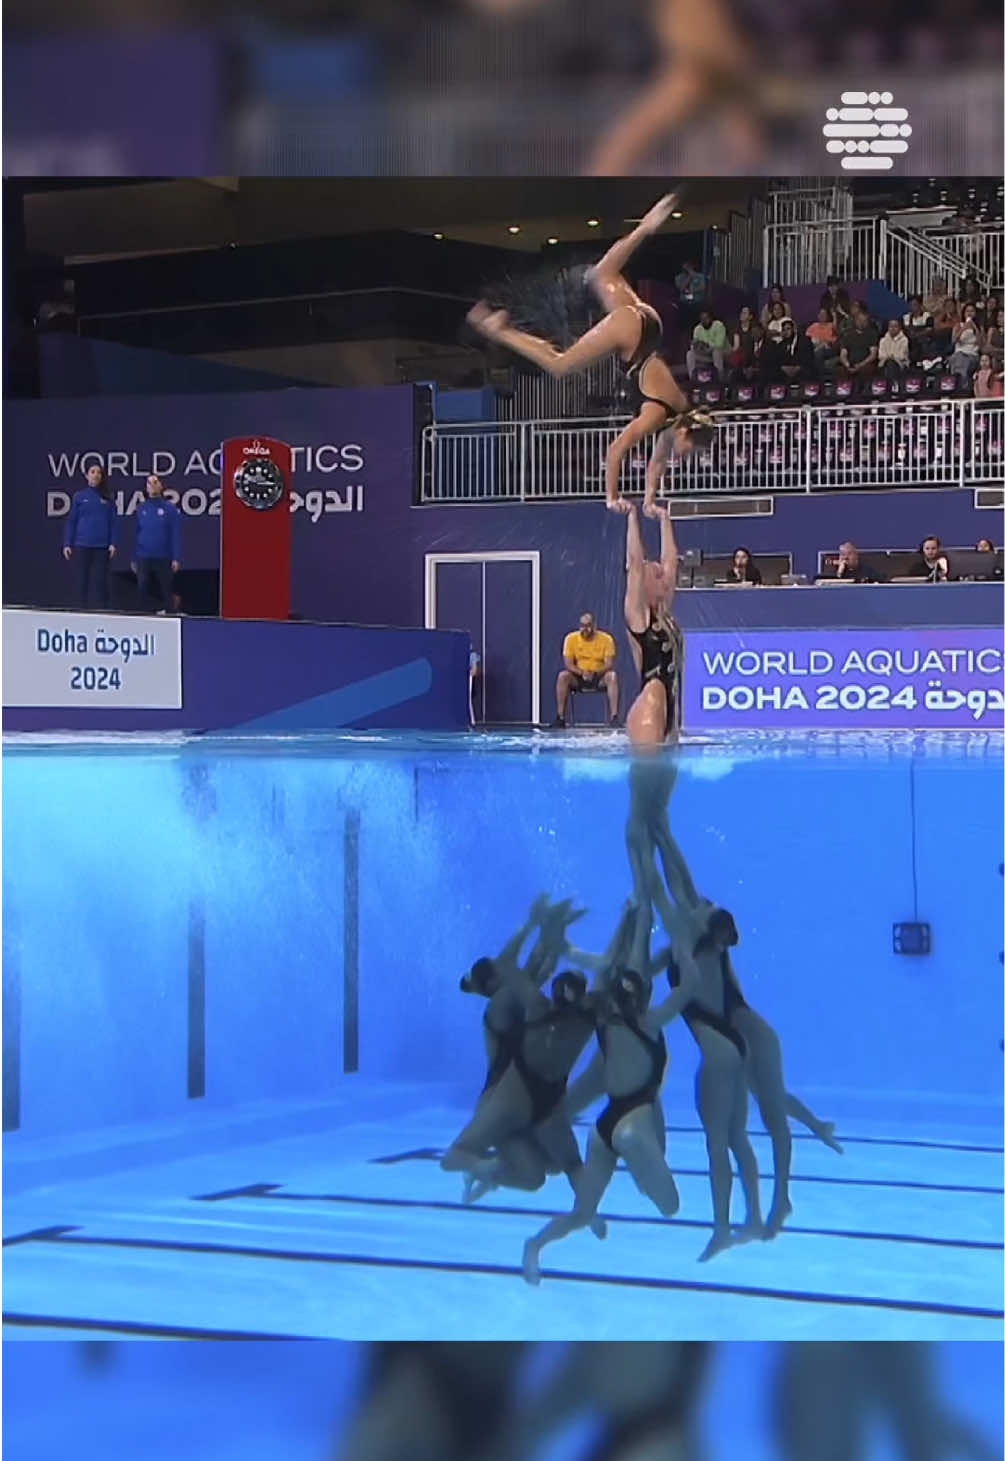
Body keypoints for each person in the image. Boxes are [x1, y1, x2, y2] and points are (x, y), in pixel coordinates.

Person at [466, 194, 715, 508]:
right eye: (690, 452)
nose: (686, 457)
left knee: (601, 275)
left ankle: (644, 228)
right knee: (559, 365)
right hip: (632, 335)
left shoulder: (680, 416)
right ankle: (500, 331)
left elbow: (658, 461)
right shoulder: (656, 416)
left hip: (649, 325)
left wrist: (650, 500)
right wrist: (612, 496)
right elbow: (615, 450)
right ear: (685, 435)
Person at [521, 907, 698, 1285]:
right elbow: (686, 987)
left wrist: (630, 920)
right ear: (645, 995)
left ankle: (535, 1246)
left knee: (582, 1213)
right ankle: (637, 1169)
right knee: (671, 1206)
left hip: (604, 1127)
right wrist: (681, 943)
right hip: (631, 1124)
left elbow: (608, 963)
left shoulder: (602, 1014)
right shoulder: (652, 1021)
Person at [612, 495, 682, 747]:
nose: (662, 572)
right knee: (648, 781)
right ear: (643, 584)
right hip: (650, 710)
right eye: (656, 571)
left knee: (665, 782)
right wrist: (632, 516)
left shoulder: (664, 613)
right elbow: (634, 564)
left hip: (668, 714)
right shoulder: (639, 616)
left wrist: (664, 518)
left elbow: (671, 562)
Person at [62, 463, 119, 610]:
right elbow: (72, 521)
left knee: (100, 582)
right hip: (82, 545)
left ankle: (102, 612)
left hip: (101, 546)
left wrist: (113, 543)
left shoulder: (108, 497)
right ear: (87, 476)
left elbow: (113, 522)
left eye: (99, 473)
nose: (96, 475)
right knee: (81, 581)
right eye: (92, 472)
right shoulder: (79, 497)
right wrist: (67, 543)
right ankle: (80, 611)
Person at [555, 612, 619, 727]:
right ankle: (560, 717)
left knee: (612, 676)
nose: (585, 629)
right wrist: (582, 673)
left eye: (588, 626)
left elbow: (609, 664)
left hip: (599, 676)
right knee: (563, 676)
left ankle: (614, 717)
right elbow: (568, 664)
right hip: (578, 677)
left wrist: (595, 673)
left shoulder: (606, 639)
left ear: (594, 626)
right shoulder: (570, 639)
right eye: (583, 626)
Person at [131, 474, 181, 615]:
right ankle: (142, 619)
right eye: (149, 483)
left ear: (160, 486)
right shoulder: (141, 509)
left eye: (155, 482)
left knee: (166, 590)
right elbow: (137, 533)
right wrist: (134, 556)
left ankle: (170, 616)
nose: (152, 485)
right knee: (142, 589)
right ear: (146, 488)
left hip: (163, 556)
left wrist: (176, 557)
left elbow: (175, 534)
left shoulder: (170, 509)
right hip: (143, 556)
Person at [838, 304, 879, 387]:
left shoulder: (872, 334)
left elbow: (873, 355)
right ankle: (843, 394)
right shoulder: (848, 335)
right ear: (856, 321)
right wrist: (847, 364)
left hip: (865, 364)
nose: (863, 323)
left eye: (864, 321)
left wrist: (860, 365)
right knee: (841, 370)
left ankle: (864, 393)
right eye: (860, 321)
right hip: (851, 363)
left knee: (866, 370)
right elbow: (843, 354)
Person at [686, 309, 728, 380]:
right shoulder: (698, 329)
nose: (704, 321)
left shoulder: (719, 326)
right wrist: (697, 346)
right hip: (706, 354)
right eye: (702, 319)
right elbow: (694, 345)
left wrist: (706, 344)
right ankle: (692, 378)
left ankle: (720, 379)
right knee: (690, 353)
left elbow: (719, 344)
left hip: (723, 353)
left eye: (706, 318)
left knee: (716, 351)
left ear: (711, 318)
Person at [771, 317, 814, 384]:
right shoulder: (781, 345)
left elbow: (809, 358)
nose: (786, 332)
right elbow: (777, 360)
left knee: (808, 371)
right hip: (786, 371)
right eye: (784, 330)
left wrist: (797, 368)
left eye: (788, 329)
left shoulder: (805, 341)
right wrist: (783, 368)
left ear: (794, 329)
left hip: (801, 368)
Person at [948, 303, 984, 385]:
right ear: (964, 313)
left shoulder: (979, 327)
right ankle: (961, 384)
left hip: (972, 354)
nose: (969, 313)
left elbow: (981, 344)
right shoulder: (958, 325)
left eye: (972, 311)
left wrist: (974, 327)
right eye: (967, 311)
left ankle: (960, 384)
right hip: (959, 353)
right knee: (959, 359)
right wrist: (963, 328)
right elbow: (953, 341)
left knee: (963, 361)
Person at [902, 295, 935, 364]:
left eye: (915, 304)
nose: (913, 307)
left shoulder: (927, 316)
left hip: (923, 339)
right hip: (910, 339)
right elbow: (904, 330)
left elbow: (929, 330)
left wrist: (917, 334)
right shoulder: (906, 317)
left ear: (920, 305)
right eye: (910, 305)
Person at [806, 306, 838, 371]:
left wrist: (835, 317)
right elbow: (806, 337)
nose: (822, 316)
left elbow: (834, 339)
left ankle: (819, 374)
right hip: (814, 345)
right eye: (820, 314)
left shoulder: (831, 325)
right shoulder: (814, 325)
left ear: (828, 317)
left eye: (824, 314)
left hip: (827, 348)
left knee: (821, 348)